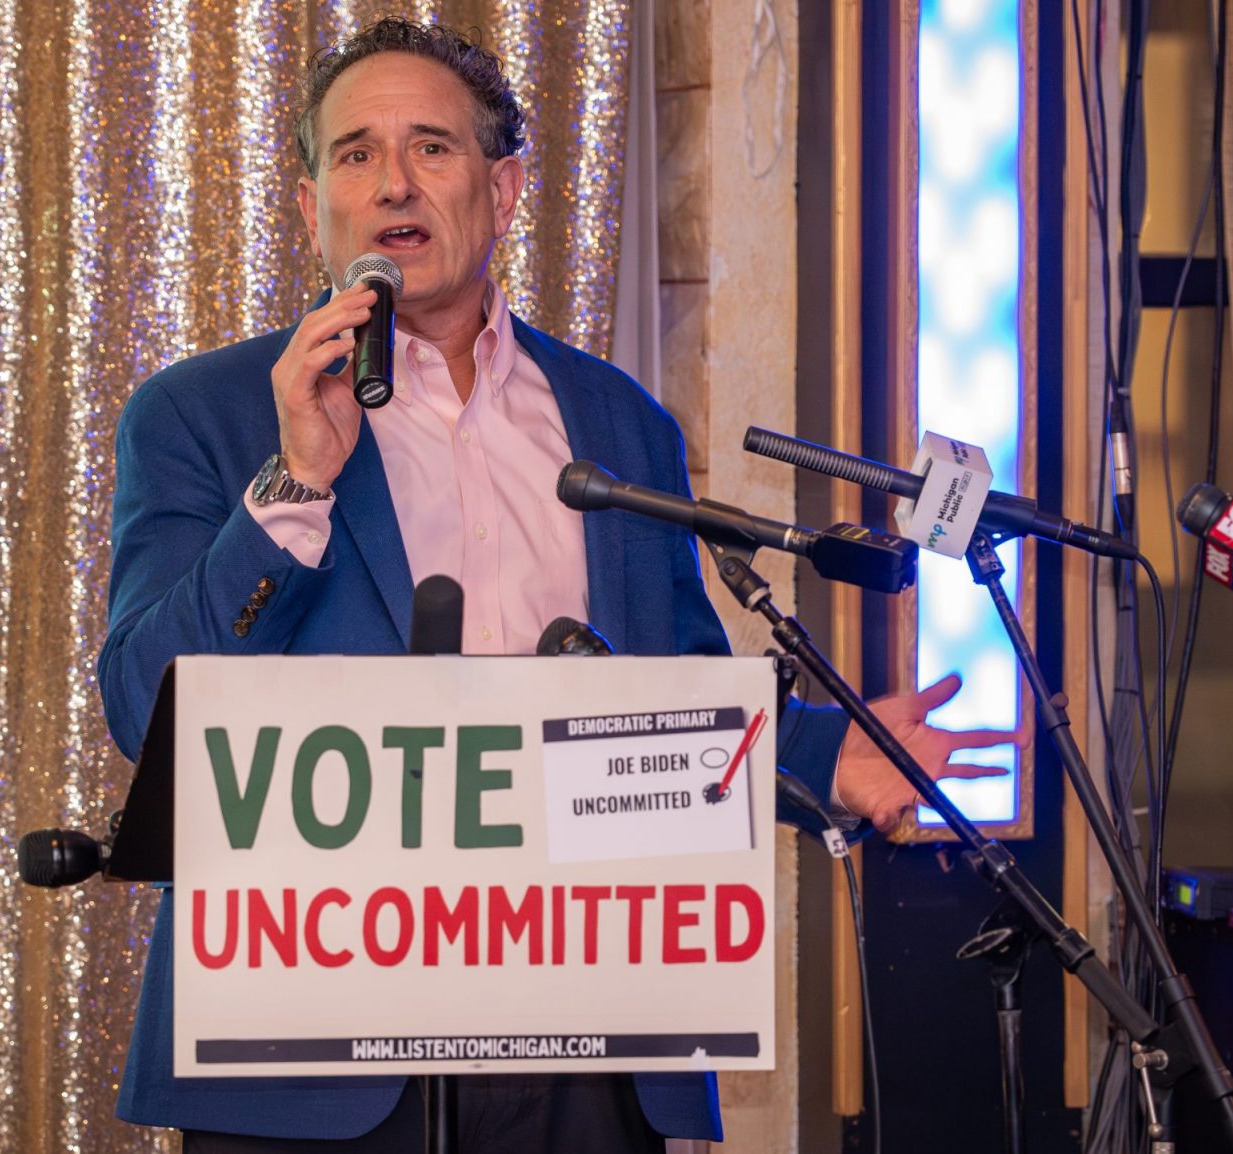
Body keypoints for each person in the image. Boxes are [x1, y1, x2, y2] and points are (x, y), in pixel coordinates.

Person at [95, 18, 1009, 1151]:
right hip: (311, 1045)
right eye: (352, 153)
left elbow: (666, 692)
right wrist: (295, 481)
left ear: (504, 185)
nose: (391, 182)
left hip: (579, 1009)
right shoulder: (205, 414)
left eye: (431, 147)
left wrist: (828, 753)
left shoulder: (616, 418)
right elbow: (146, 704)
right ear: (307, 205)